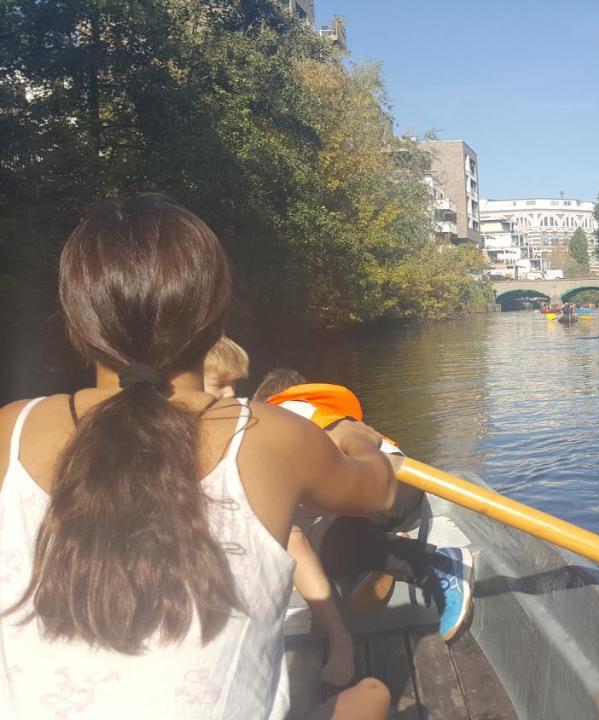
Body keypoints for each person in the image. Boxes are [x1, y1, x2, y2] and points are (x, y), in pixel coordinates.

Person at [0, 196, 392, 718]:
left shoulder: (12, 426)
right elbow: (380, 489)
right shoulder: (270, 435)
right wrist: (354, 435)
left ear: (77, 321)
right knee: (373, 695)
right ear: (214, 318)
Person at [252, 371, 474, 643]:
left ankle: (436, 563)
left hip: (385, 491)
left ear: (265, 402)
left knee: (309, 547)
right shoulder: (309, 411)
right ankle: (377, 553)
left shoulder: (282, 417)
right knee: (308, 542)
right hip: (399, 490)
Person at [204, 343, 357, 687]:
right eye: (220, 385)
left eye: (236, 384)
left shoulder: (241, 423)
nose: (233, 394)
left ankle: (339, 638)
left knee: (292, 535)